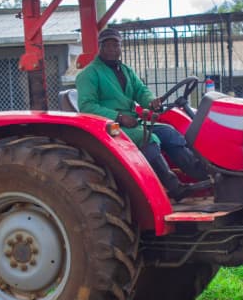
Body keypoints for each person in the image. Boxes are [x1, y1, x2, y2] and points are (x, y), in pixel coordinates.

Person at [76, 27, 211, 201]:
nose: (111, 49)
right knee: (148, 139)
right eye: (106, 45)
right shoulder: (89, 74)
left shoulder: (125, 70)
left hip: (132, 121)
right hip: (110, 126)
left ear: (120, 47)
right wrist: (120, 117)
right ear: (100, 47)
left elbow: (141, 91)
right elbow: (87, 106)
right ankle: (174, 188)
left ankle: (205, 176)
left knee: (169, 133)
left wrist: (151, 101)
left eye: (115, 45)